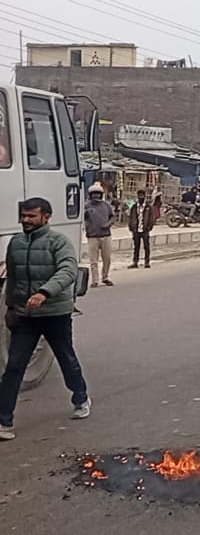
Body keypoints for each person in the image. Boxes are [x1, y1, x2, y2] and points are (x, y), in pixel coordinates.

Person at [0, 198, 90, 440]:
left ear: (46, 217)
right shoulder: (16, 243)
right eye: (24, 216)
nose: (26, 221)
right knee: (14, 367)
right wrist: (10, 307)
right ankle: (4, 422)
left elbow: (68, 270)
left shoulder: (58, 242)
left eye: (32, 216)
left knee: (66, 358)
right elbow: (13, 278)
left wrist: (44, 292)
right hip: (25, 316)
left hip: (54, 314)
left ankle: (80, 397)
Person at [84, 182, 115, 287]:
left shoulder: (106, 205)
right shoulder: (86, 206)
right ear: (90, 195)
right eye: (94, 194)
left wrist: (108, 225)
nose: (96, 196)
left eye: (98, 193)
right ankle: (95, 280)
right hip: (92, 236)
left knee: (107, 258)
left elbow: (113, 217)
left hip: (106, 235)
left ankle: (105, 277)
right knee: (94, 261)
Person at [127, 189, 157, 269]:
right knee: (136, 246)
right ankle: (135, 262)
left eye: (142, 196)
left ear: (145, 196)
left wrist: (149, 227)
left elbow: (151, 218)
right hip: (136, 230)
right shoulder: (134, 207)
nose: (141, 197)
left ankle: (146, 262)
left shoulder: (148, 207)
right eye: (139, 196)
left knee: (146, 246)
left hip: (145, 230)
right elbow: (131, 217)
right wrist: (131, 227)